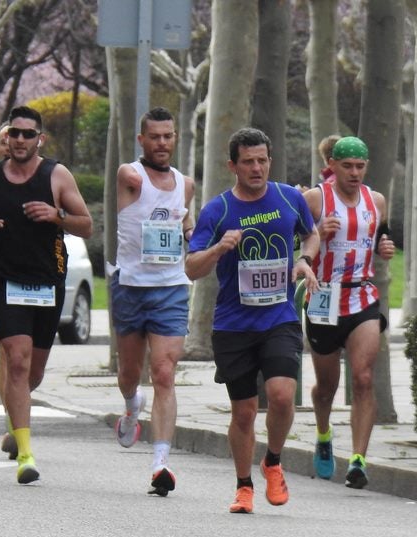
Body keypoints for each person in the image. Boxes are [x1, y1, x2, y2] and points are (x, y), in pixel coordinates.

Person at [185, 127, 319, 514]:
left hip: (279, 316)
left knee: (280, 396)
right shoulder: (218, 210)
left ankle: (273, 461)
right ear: (233, 165)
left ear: (270, 161)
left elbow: (311, 237)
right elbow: (192, 268)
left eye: (262, 160)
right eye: (248, 162)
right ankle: (244, 486)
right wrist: (219, 247)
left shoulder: (289, 197)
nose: (256, 168)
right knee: (243, 411)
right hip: (233, 324)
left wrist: (304, 259)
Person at [0, 105, 93, 484]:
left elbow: (87, 226)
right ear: (6, 137)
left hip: (48, 283)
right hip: (5, 281)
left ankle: (16, 421)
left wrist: (57, 216)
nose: (21, 140)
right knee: (17, 359)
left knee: (34, 373)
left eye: (29, 134)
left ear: (40, 138)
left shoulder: (56, 175)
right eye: (15, 133)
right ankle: (26, 454)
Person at [300, 136, 395, 489]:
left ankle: (358, 459)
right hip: (324, 297)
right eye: (347, 166)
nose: (354, 173)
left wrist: (385, 246)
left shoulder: (377, 201)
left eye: (360, 167)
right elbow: (296, 242)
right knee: (327, 386)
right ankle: (324, 435)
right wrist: (316, 234)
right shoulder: (315, 199)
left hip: (362, 296)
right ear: (334, 166)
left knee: (364, 377)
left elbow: (382, 237)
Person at [111, 107, 196, 497]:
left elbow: (185, 223)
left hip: (170, 288)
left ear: (175, 138)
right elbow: (148, 199)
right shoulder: (130, 175)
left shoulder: (186, 183)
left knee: (164, 371)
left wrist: (191, 232)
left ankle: (160, 462)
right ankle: (131, 406)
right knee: (130, 373)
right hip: (131, 286)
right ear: (142, 141)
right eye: (155, 137)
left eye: (168, 136)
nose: (163, 143)